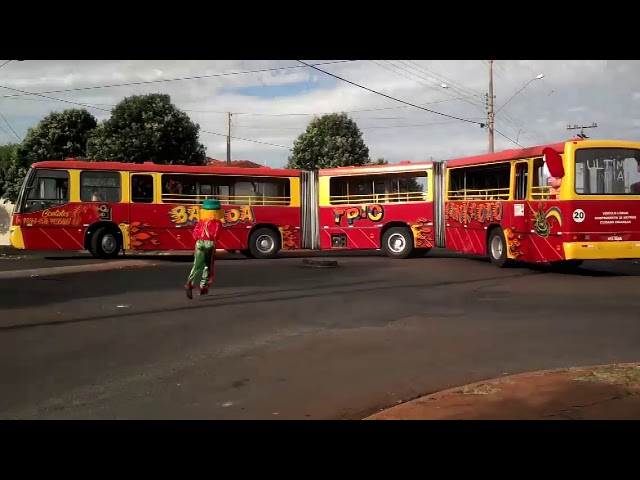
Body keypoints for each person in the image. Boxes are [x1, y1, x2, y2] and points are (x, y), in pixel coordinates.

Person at [184, 198, 223, 299]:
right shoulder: (217, 223)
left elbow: (195, 233)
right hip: (209, 244)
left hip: (199, 243)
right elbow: (216, 235)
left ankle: (189, 283)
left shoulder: (201, 222)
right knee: (207, 266)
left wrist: (199, 239)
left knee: (196, 265)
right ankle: (203, 287)